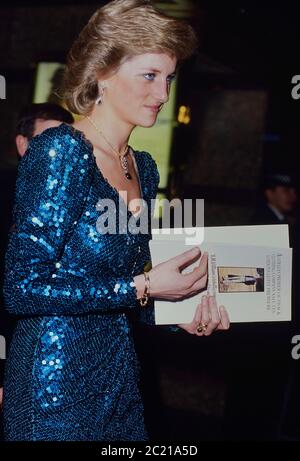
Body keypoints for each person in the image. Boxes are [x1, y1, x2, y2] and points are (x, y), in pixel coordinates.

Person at [2, 0, 230, 441]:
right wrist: (144, 287)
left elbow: (120, 288)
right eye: (149, 75)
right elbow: (21, 288)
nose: (163, 94)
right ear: (103, 74)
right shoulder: (61, 151)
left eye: (169, 78)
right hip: (53, 384)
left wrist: (172, 311)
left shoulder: (142, 167)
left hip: (119, 378)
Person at [0, 103, 74, 412]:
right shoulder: (5, 192)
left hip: (63, 357)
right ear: (22, 144)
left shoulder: (78, 199)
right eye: (47, 142)